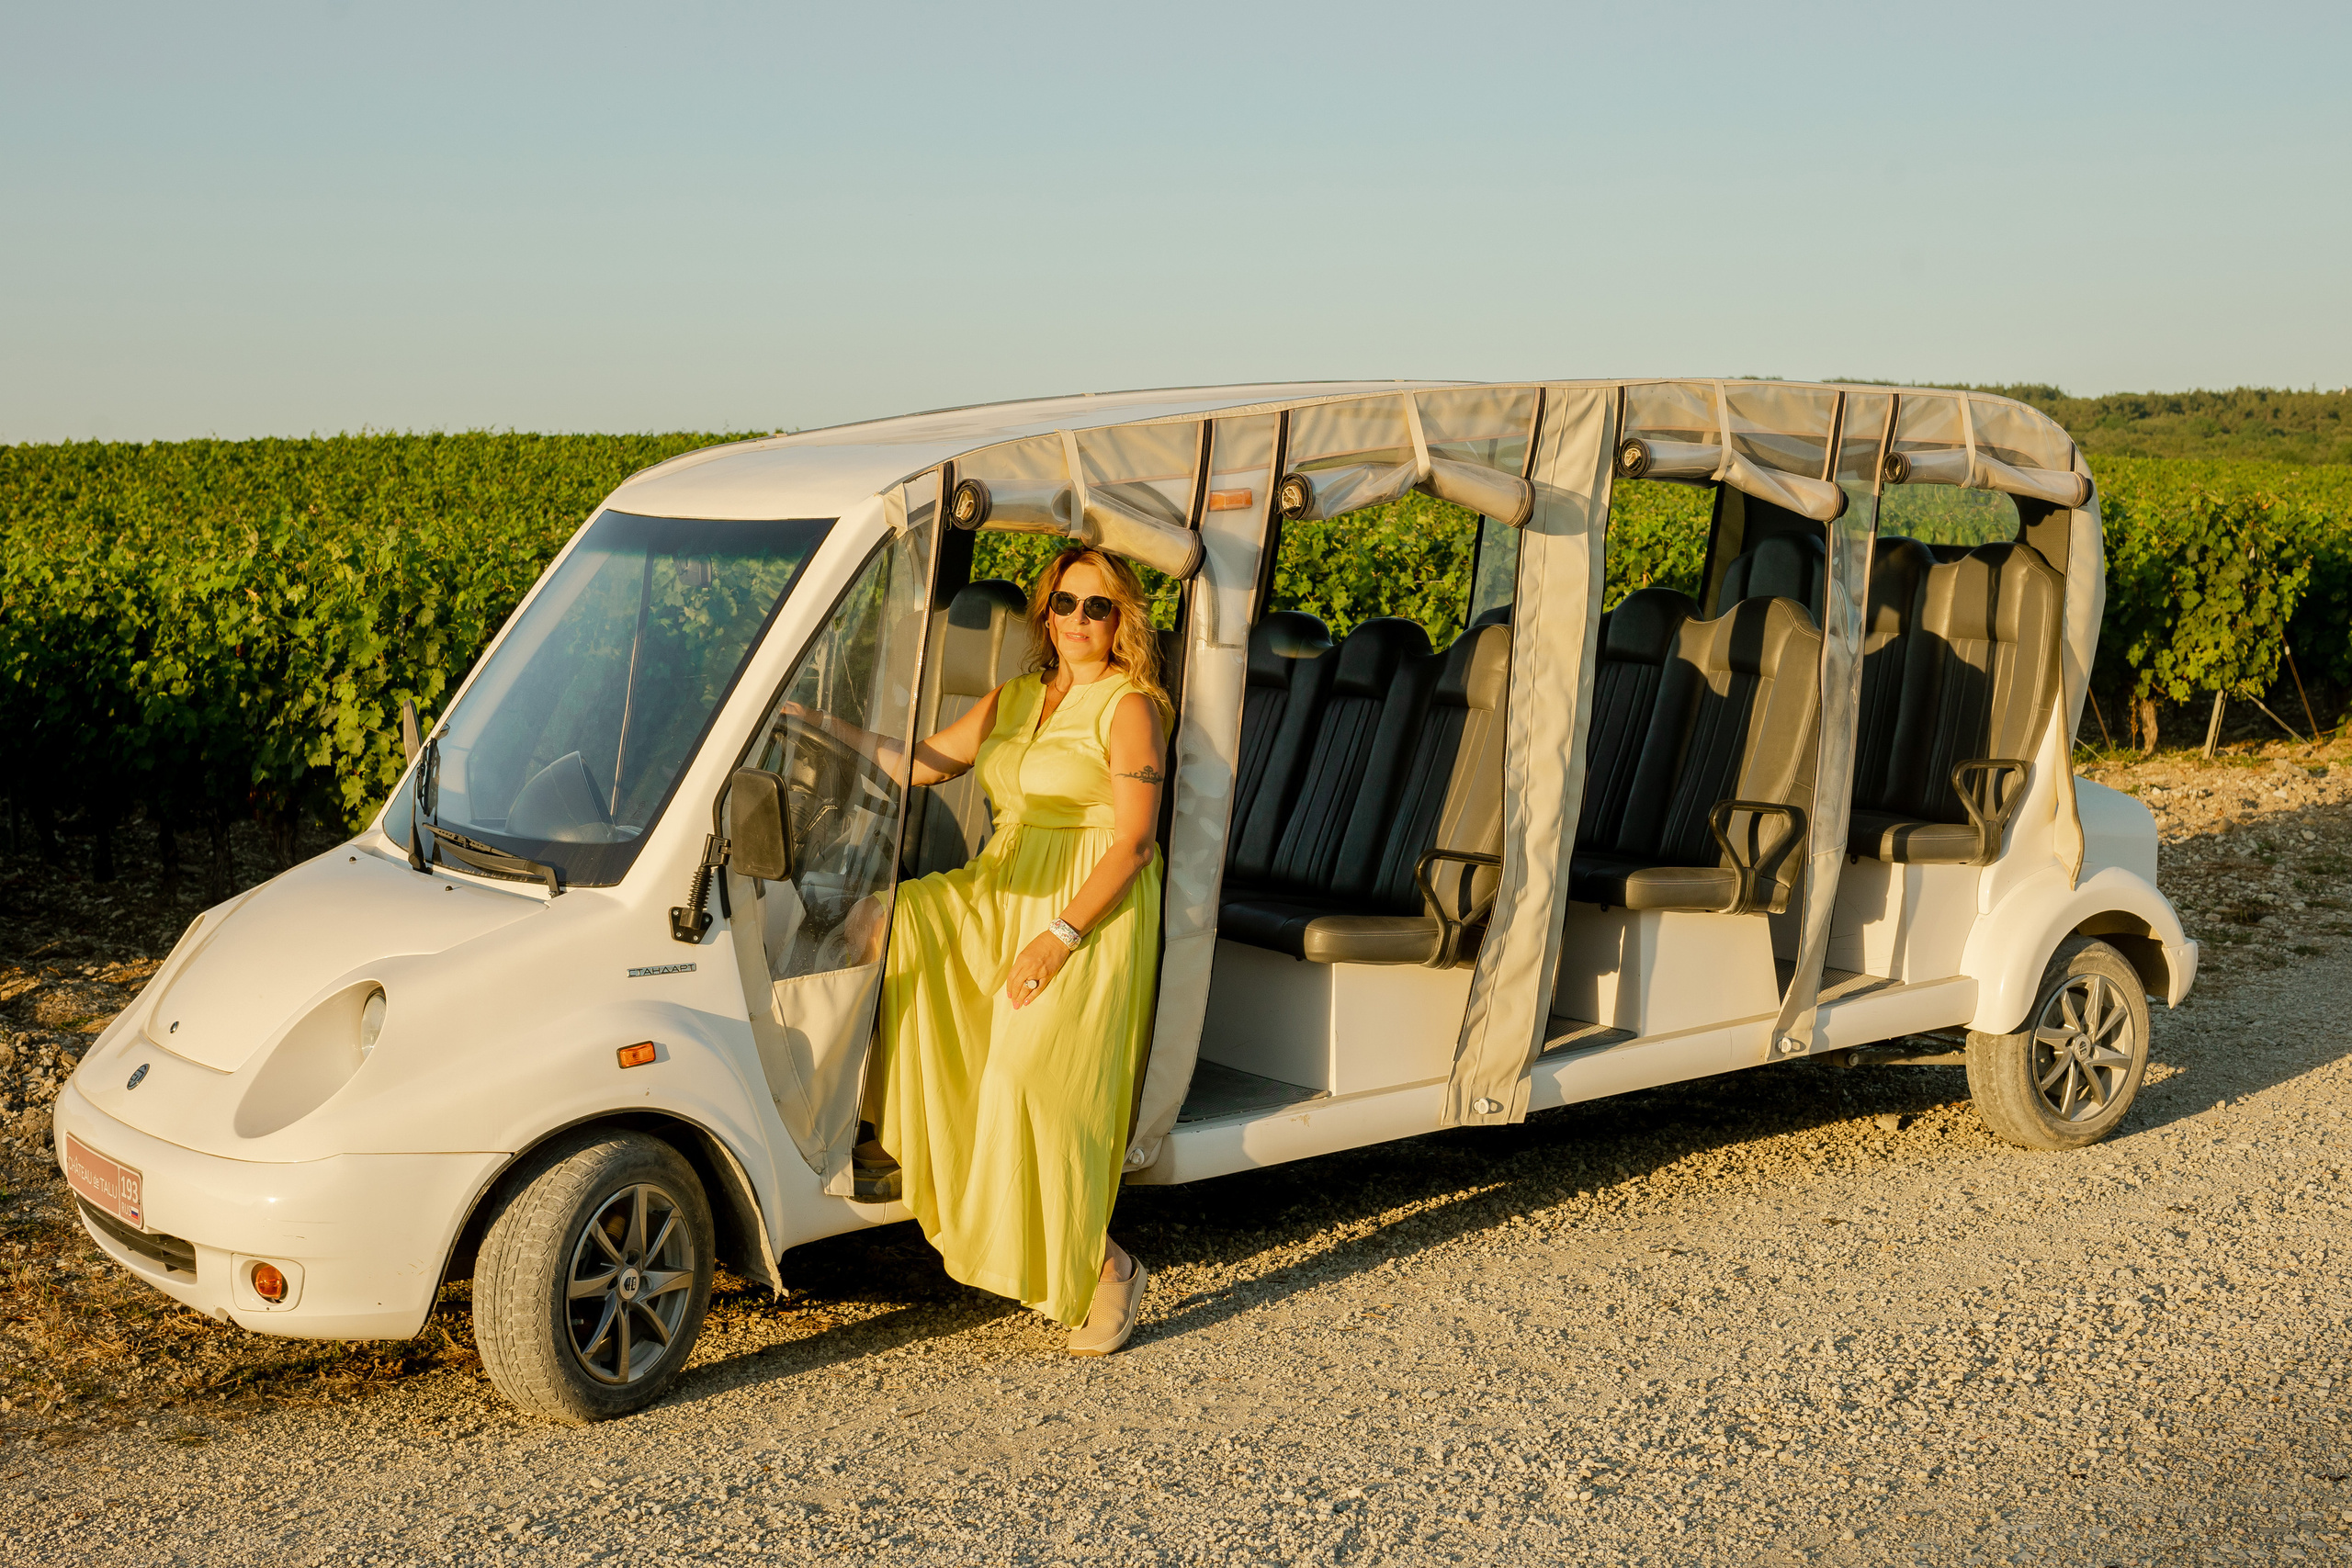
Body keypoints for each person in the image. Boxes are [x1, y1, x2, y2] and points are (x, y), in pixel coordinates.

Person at [861, 546, 1167, 1354]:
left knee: (1031, 1079)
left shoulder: (1130, 707)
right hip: (1002, 882)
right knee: (885, 923)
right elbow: (920, 763)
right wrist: (816, 725)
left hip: (1090, 905)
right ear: (1046, 611)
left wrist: (1060, 937)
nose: (1078, 619)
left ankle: (1107, 1267)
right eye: (1065, 602)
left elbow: (1134, 843)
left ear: (1121, 619)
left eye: (1097, 606)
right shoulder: (1016, 695)